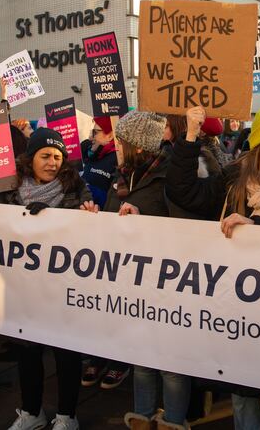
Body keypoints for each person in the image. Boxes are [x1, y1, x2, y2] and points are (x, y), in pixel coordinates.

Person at [166, 105, 260, 430]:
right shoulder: (235, 178)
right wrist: (191, 136)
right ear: (259, 142)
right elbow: (185, 193)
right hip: (240, 309)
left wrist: (254, 228)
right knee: (243, 391)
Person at [0, 128, 98, 430]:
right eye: (46, 155)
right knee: (27, 352)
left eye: (58, 156)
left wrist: (81, 216)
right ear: (31, 159)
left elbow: (88, 228)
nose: (53, 162)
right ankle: (32, 412)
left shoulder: (76, 188)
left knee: (66, 352)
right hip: (24, 286)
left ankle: (67, 416)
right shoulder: (9, 189)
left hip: (62, 286)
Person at [103, 111, 189, 430]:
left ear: (138, 145)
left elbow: (182, 224)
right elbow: (114, 213)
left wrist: (144, 218)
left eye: (121, 141)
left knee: (171, 362)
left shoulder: (169, 175)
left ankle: (174, 420)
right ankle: (142, 415)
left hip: (166, 280)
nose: (117, 146)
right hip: (133, 280)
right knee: (141, 355)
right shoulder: (123, 175)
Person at [80, 117, 118, 209]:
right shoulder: (93, 154)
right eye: (91, 132)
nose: (90, 137)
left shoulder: (118, 158)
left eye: (95, 132)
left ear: (110, 135)